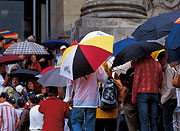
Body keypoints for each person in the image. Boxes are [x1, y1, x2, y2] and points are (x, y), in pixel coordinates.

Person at [64, 65, 108, 131]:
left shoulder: (73, 65)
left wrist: (68, 98)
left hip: (78, 101)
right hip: (92, 100)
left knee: (76, 122)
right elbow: (104, 78)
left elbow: (69, 85)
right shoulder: (95, 64)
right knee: (90, 124)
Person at [132, 54, 163, 131]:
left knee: (144, 121)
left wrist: (134, 98)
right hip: (155, 94)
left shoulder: (139, 64)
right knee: (154, 120)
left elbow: (136, 82)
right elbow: (160, 83)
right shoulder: (158, 64)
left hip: (142, 94)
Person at [95, 62, 122, 131]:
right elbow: (119, 95)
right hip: (112, 114)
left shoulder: (96, 82)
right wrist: (118, 105)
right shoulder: (114, 81)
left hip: (99, 114)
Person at [157, 51, 177, 131]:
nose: (159, 62)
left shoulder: (168, 70)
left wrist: (162, 101)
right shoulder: (167, 69)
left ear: (163, 59)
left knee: (167, 124)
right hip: (170, 99)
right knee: (165, 123)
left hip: (169, 100)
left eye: (159, 60)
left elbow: (170, 88)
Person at [122, 66, 140, 131]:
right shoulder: (147, 69)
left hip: (130, 102)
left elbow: (125, 89)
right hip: (143, 101)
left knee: (132, 127)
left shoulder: (131, 71)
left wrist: (122, 102)